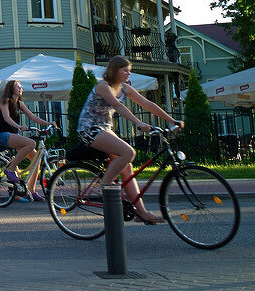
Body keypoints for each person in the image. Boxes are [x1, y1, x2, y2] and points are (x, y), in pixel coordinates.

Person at [78, 55, 183, 224]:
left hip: (105, 129)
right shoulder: (103, 86)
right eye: (125, 70)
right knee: (128, 152)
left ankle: (140, 213)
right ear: (114, 70)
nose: (128, 74)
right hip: (89, 129)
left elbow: (148, 104)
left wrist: (172, 121)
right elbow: (118, 106)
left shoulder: (124, 88)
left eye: (129, 71)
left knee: (127, 168)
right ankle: (104, 187)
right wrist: (138, 122)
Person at [0, 79, 55, 201]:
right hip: (2, 134)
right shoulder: (4, 101)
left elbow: (32, 116)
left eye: (21, 87)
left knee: (36, 159)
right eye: (18, 87)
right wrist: (19, 127)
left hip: (13, 135)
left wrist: (48, 123)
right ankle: (10, 169)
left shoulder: (19, 103)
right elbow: (6, 117)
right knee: (31, 143)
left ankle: (31, 191)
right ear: (11, 89)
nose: (21, 89)